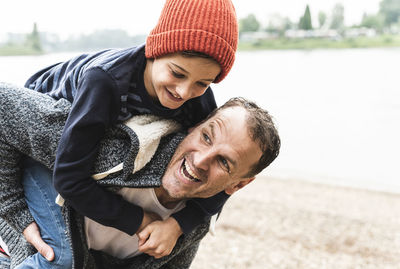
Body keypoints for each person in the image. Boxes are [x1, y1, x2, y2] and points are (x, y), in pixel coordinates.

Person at [3, 0, 238, 267]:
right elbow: (70, 179)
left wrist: (177, 224)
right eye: (177, 73)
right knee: (63, 256)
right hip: (31, 141)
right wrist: (138, 220)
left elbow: (225, 181)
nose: (184, 92)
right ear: (155, 49)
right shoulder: (106, 82)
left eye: (202, 83)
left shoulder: (199, 100)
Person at [0, 82, 280, 268]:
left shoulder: (190, 227)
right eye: (207, 137)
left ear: (239, 184)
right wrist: (14, 211)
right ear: (194, 126)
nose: (201, 160)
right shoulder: (116, 144)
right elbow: (3, 104)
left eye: (225, 163)